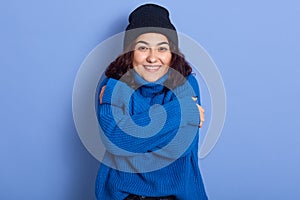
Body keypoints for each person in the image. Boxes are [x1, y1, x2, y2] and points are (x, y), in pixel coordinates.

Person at [95, 3, 208, 200]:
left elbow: (179, 148)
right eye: (143, 47)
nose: (152, 58)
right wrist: (181, 110)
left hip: (177, 195)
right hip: (124, 194)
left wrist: (132, 140)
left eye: (162, 48)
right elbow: (115, 140)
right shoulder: (112, 83)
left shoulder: (186, 81)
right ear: (130, 52)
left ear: (172, 53)